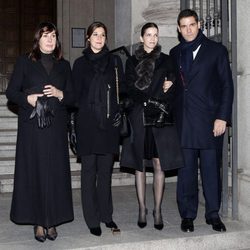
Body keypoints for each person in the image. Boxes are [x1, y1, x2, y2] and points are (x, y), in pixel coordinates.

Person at [6, 21, 74, 242]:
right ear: (38, 39)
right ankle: (38, 221)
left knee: (55, 174)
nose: (50, 39)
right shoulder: (24, 62)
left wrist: (60, 93)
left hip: (55, 128)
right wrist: (28, 99)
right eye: (45, 36)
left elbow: (73, 97)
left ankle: (52, 221)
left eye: (53, 36)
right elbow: (11, 93)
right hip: (32, 128)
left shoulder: (64, 65)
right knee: (34, 172)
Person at [169, 9, 234, 233]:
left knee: (210, 169)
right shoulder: (174, 52)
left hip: (209, 122)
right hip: (184, 121)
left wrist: (222, 117)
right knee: (185, 171)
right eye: (183, 26)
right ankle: (187, 215)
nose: (188, 29)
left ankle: (213, 214)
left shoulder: (216, 51)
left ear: (199, 25)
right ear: (178, 29)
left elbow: (227, 86)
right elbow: (175, 87)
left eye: (192, 25)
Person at [120, 22, 183, 230]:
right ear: (141, 38)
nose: (153, 38)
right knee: (139, 164)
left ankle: (157, 209)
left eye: (156, 35)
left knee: (158, 163)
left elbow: (175, 86)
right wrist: (147, 99)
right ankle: (141, 208)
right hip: (139, 117)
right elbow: (128, 88)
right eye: (149, 34)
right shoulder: (131, 61)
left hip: (159, 117)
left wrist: (170, 86)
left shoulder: (167, 60)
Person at [72, 21, 123, 236]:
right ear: (88, 38)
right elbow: (74, 95)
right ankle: (91, 219)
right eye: (95, 35)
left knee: (105, 173)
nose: (99, 38)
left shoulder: (115, 61)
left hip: (109, 124)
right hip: (87, 124)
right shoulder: (80, 63)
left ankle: (106, 215)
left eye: (102, 35)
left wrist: (121, 109)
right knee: (88, 172)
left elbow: (123, 92)